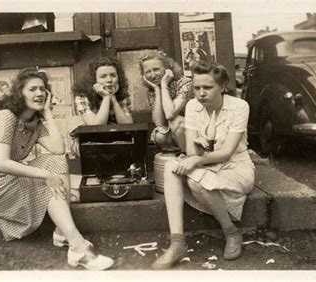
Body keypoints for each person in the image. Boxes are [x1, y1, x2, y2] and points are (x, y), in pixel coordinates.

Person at [0, 67, 114, 270]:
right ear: (19, 94)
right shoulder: (6, 116)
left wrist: (48, 113)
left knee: (56, 162)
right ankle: (77, 246)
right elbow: (1, 163)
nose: (39, 93)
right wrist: (46, 175)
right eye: (32, 89)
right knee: (45, 182)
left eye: (43, 89)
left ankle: (62, 231)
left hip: (6, 179)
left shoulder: (34, 122)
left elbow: (59, 150)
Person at [151, 61, 255, 270]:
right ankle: (177, 243)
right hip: (208, 165)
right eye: (197, 88)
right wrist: (197, 150)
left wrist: (197, 160)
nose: (201, 93)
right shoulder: (192, 106)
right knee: (172, 167)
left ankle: (231, 232)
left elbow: (226, 153)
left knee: (195, 180)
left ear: (222, 87)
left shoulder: (239, 106)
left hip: (236, 168)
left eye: (208, 87)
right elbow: (190, 151)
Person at [139, 51, 193, 152]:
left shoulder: (185, 83)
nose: (152, 75)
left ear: (168, 69)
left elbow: (170, 114)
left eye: (156, 69)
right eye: (148, 72)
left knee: (176, 121)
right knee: (160, 135)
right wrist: (157, 90)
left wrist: (164, 86)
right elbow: (159, 123)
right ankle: (179, 154)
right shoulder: (153, 90)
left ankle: (188, 155)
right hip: (176, 132)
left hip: (195, 130)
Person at [72, 57, 133, 125]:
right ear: (94, 80)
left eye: (113, 75)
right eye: (103, 76)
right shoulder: (82, 96)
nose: (109, 80)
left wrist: (114, 100)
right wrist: (106, 97)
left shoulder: (123, 95)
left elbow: (127, 126)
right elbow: (96, 125)